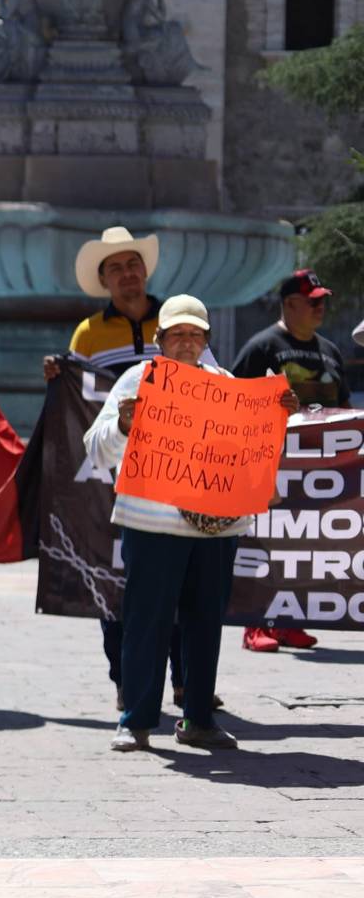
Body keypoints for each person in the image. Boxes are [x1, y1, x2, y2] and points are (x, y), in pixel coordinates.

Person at [86, 296, 295, 751]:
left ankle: (199, 719)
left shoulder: (228, 386)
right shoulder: (138, 380)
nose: (186, 342)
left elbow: (250, 453)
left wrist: (276, 416)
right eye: (177, 334)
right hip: (152, 526)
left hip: (217, 529)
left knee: (205, 624)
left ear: (206, 341)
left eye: (195, 334)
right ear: (159, 339)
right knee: (146, 623)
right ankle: (136, 721)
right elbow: (95, 449)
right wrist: (123, 426)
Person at [44, 226, 195, 705]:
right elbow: (77, 403)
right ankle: (126, 682)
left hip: (178, 476)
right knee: (113, 583)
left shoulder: (177, 322)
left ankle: (185, 681)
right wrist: (58, 377)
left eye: (133, 265)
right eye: (116, 269)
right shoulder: (88, 333)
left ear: (145, 272)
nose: (127, 275)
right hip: (112, 479)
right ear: (104, 280)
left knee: (180, 583)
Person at [234, 269, 348, 654]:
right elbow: (234, 403)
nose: (320, 307)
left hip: (320, 472)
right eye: (312, 301)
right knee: (265, 543)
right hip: (270, 469)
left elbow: (344, 410)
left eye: (322, 300)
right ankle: (256, 623)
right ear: (289, 304)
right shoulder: (262, 347)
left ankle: (289, 620)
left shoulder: (330, 351)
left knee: (304, 546)